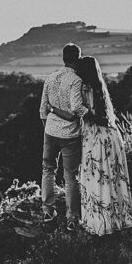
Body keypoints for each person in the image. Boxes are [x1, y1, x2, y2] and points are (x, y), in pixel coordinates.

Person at [51, 55, 132, 235]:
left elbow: (76, 113)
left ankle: (99, 225)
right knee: (112, 179)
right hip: (111, 136)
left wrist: (54, 109)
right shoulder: (100, 88)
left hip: (96, 138)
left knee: (96, 179)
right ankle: (116, 221)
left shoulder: (82, 88)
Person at [27, 43, 87, 227]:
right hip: (70, 135)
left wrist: (48, 124)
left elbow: (42, 109)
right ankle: (72, 218)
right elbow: (76, 107)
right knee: (70, 176)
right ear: (77, 59)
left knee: (47, 170)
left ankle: (48, 212)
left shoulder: (50, 78)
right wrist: (92, 116)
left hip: (50, 131)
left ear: (63, 58)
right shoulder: (76, 80)